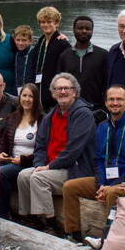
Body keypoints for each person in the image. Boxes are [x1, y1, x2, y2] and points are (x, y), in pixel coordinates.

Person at [61, 85, 125, 243]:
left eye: (119, 99)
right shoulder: (102, 127)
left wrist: (112, 185)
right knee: (70, 187)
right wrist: (101, 183)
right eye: (111, 99)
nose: (115, 103)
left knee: (112, 193)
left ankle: (108, 239)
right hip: (104, 181)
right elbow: (97, 160)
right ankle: (74, 236)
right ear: (106, 103)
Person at [16, 73, 96, 232]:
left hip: (74, 169)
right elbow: (40, 145)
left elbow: (73, 151)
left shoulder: (83, 114)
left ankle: (52, 225)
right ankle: (30, 218)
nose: (63, 92)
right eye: (58, 89)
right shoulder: (52, 115)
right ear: (53, 93)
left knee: (39, 178)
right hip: (51, 167)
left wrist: (48, 167)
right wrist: (39, 164)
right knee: (23, 176)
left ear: (75, 92)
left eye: (67, 88)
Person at [0, 83, 43, 219]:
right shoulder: (14, 117)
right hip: (11, 160)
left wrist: (23, 159)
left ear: (36, 99)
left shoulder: (42, 120)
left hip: (28, 163)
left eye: (31, 96)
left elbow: (43, 149)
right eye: (24, 96)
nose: (27, 99)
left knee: (0, 174)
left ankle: (2, 213)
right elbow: (4, 142)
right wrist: (0, 153)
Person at [57, 15, 108, 114]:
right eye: (80, 28)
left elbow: (107, 83)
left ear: (92, 31)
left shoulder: (103, 55)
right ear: (73, 30)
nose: (84, 31)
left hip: (96, 110)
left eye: (88, 29)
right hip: (70, 109)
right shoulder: (64, 56)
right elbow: (59, 84)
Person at [29, 6, 71, 109]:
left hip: (55, 97)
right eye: (43, 22)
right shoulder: (39, 44)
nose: (45, 25)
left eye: (49, 21)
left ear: (56, 23)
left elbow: (67, 71)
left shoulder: (63, 44)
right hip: (39, 94)